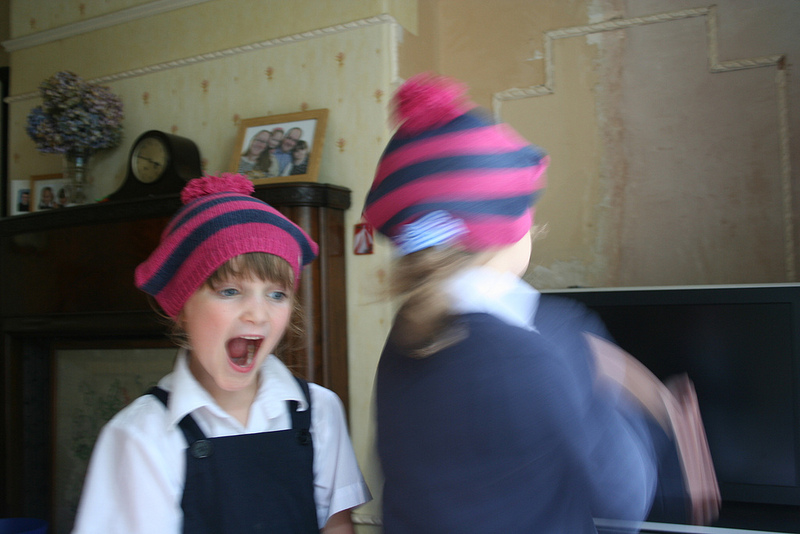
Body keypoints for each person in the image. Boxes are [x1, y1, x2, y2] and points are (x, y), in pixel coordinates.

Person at [363, 73, 719, 533]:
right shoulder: (537, 349)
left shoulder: (405, 338)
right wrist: (653, 420)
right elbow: (625, 500)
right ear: (507, 230)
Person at [72, 173, 371, 533]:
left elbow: (337, 526)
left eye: (277, 294)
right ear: (182, 308)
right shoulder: (140, 436)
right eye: (230, 291)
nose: (258, 314)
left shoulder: (320, 411)